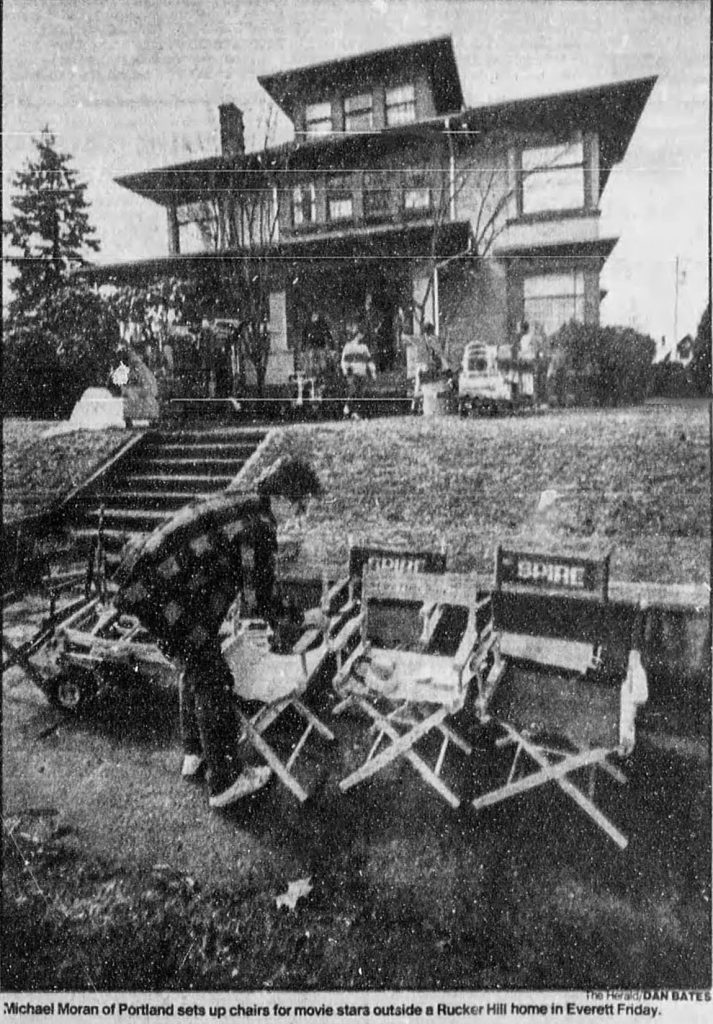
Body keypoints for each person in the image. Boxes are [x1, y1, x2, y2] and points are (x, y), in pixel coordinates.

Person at [178, 458, 322, 809]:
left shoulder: (245, 500)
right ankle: (225, 784)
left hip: (164, 584)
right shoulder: (260, 525)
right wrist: (304, 616)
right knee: (213, 678)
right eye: (301, 507)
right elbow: (259, 599)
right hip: (169, 594)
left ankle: (195, 752)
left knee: (196, 662)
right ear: (284, 499)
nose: (300, 516)